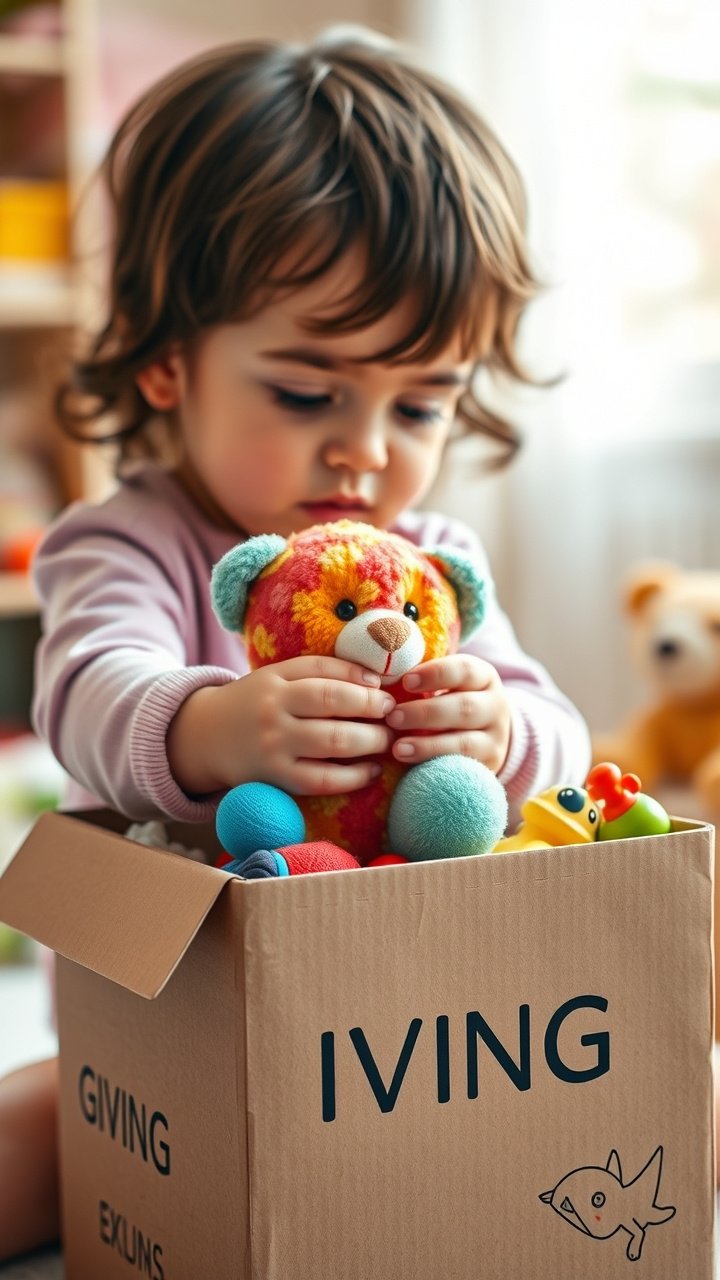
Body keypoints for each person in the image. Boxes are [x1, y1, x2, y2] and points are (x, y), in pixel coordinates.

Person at [0, 28, 591, 1261]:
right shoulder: (124, 538)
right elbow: (85, 694)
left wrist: (496, 725)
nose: (368, 450)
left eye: (420, 403)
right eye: (309, 392)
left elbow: (558, 729)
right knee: (45, 1148)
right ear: (170, 365)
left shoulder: (430, 563)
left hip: (405, 1015)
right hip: (185, 1017)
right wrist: (215, 723)